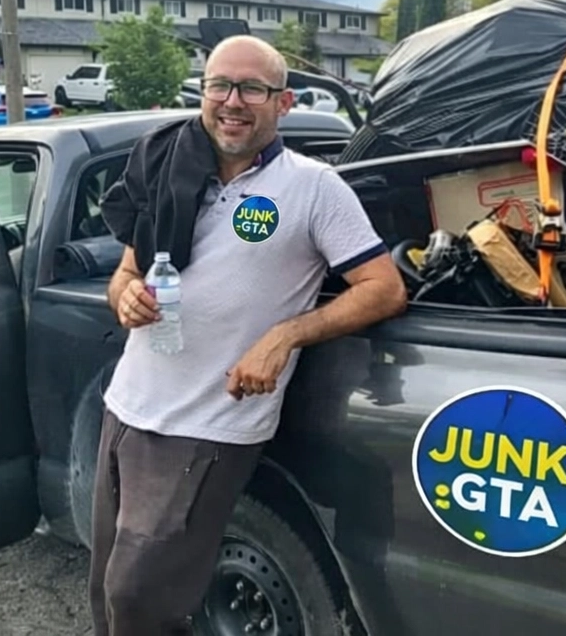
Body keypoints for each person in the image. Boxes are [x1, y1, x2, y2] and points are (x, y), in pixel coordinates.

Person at [87, 35, 406, 636]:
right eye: (219, 85)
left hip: (208, 425)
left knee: (141, 601)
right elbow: (126, 274)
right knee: (107, 591)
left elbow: (383, 287)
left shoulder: (314, 187)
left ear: (282, 103)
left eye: (251, 89)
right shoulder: (169, 171)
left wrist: (285, 334)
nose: (232, 101)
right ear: (203, 92)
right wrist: (124, 296)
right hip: (127, 410)